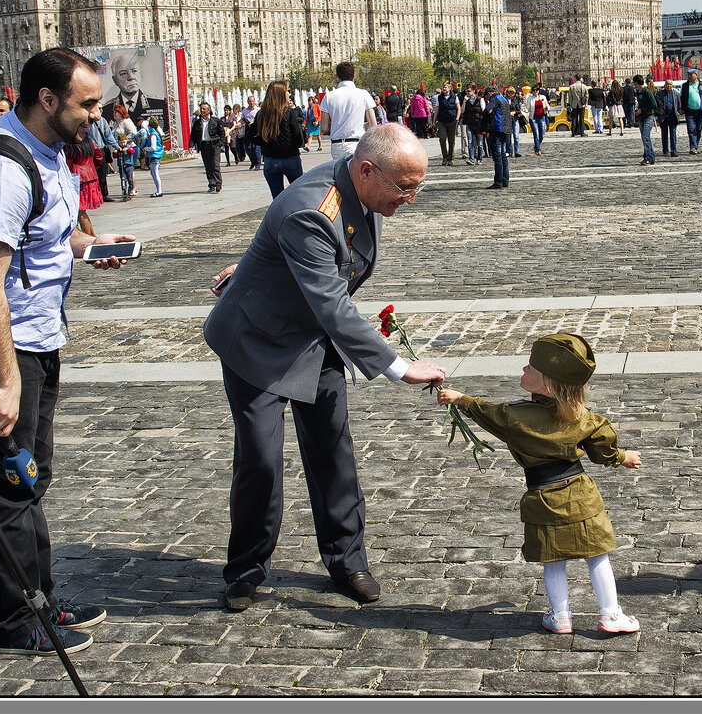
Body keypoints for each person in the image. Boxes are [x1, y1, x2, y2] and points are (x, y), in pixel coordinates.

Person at [0, 47, 136, 656]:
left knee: (30, 476)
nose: (97, 115)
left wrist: (87, 247)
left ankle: (42, 598)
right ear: (47, 99)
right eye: (87, 103)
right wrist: (6, 380)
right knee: (8, 482)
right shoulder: (0, 167)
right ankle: (17, 623)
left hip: (36, 336)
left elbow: (41, 232)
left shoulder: (46, 155)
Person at [203, 123, 447, 612]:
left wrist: (255, 264)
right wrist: (399, 367)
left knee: (334, 452)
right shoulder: (313, 210)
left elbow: (327, 272)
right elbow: (333, 303)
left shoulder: (362, 192)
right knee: (261, 461)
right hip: (258, 343)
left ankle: (347, 560)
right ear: (366, 170)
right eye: (405, 187)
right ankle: (246, 569)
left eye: (417, 186)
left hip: (313, 337)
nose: (411, 198)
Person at [435, 334, 642, 636]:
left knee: (553, 559)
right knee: (597, 554)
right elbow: (603, 451)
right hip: (581, 495)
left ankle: (561, 616)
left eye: (530, 368)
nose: (524, 368)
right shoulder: (585, 419)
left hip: (542, 497)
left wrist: (459, 399)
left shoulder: (516, 416)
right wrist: (622, 457)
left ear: (546, 385)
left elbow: (487, 413)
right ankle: (611, 614)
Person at [250, 80, 306, 199]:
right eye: (287, 91)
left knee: (277, 198)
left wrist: (266, 144)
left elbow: (253, 137)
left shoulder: (261, 114)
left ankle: (280, 217)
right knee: (299, 195)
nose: (289, 94)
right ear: (281, 93)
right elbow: (298, 138)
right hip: (290, 158)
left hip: (271, 160)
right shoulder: (289, 112)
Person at [320, 61, 377, 162]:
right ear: (354, 76)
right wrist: (361, 124)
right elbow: (373, 125)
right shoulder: (363, 94)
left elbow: (324, 128)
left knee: (340, 176)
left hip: (336, 145)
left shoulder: (328, 96)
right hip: (356, 143)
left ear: (338, 77)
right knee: (356, 176)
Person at [102, 50, 166, 124]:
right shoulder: (107, 110)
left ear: (139, 73)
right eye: (123, 74)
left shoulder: (159, 103)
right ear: (115, 80)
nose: (131, 77)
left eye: (134, 71)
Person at [65, 138, 102, 236]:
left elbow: (68, 162)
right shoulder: (89, 143)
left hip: (79, 178)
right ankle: (92, 235)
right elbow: (99, 156)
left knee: (79, 211)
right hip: (91, 176)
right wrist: (93, 167)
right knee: (82, 211)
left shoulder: (73, 145)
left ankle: (89, 236)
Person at [190, 102, 226, 192]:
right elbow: (193, 135)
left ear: (209, 110)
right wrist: (191, 146)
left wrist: (220, 144)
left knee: (215, 164)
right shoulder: (198, 123)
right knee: (208, 166)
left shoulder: (216, 121)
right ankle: (212, 184)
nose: (202, 111)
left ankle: (218, 183)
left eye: (204, 109)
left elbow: (222, 134)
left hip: (214, 144)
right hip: (204, 145)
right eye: (201, 109)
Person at [483, 86, 511, 189]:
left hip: (497, 128)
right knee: (503, 156)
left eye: (486, 95)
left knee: (497, 156)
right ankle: (505, 180)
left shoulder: (494, 98)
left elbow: (487, 110)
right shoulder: (503, 98)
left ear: (490, 93)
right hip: (506, 129)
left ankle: (498, 181)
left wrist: (484, 114)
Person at [433, 81, 460, 166]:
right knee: (442, 139)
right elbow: (437, 109)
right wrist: (434, 120)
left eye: (446, 87)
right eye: (443, 87)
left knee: (451, 141)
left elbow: (458, 109)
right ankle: (445, 157)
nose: (444, 88)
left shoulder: (454, 97)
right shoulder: (439, 98)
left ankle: (451, 158)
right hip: (442, 121)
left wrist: (457, 119)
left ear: (450, 88)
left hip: (452, 121)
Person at [632, 75, 657, 166]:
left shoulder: (647, 91)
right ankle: (650, 157)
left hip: (649, 117)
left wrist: (642, 110)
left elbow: (654, 105)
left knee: (646, 137)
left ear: (636, 83)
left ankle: (648, 158)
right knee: (644, 138)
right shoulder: (638, 92)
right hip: (641, 117)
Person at [679, 69, 702, 154]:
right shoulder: (685, 85)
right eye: (688, 75)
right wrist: (681, 107)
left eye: (690, 74)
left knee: (699, 129)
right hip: (689, 110)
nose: (688, 76)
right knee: (691, 129)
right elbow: (681, 97)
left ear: (696, 75)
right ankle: (693, 146)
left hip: (700, 111)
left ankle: (696, 145)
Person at [656, 79, 680, 158]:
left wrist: (679, 111)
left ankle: (674, 150)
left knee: (673, 134)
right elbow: (657, 105)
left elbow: (678, 104)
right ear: (664, 86)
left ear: (672, 86)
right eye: (667, 84)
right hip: (664, 117)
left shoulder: (675, 93)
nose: (668, 86)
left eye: (670, 84)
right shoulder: (659, 94)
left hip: (672, 116)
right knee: (664, 134)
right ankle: (665, 150)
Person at [461, 85, 485, 165]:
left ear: (474, 91)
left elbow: (483, 110)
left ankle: (479, 158)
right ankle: (471, 159)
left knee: (480, 143)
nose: (467, 93)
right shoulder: (466, 101)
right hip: (469, 124)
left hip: (478, 124)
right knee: (470, 142)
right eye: (466, 91)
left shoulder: (480, 100)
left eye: (469, 91)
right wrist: (464, 101)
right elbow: (462, 111)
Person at [142, 116, 164, 197]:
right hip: (155, 156)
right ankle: (158, 190)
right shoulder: (155, 133)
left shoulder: (153, 134)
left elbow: (153, 147)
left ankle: (159, 191)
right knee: (153, 173)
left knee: (155, 173)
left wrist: (145, 148)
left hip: (155, 156)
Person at [240, 96, 262, 170]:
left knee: (257, 147)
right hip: (248, 129)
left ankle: (258, 164)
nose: (251, 103)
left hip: (256, 128)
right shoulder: (245, 110)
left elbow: (261, 118)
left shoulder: (258, 109)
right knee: (247, 147)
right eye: (250, 101)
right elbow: (242, 118)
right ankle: (253, 161)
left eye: (252, 101)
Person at [529, 86, 550, 155]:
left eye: (536, 90)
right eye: (534, 90)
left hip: (542, 117)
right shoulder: (530, 98)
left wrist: (547, 107)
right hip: (533, 118)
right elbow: (527, 108)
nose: (535, 92)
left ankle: (536, 146)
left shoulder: (543, 97)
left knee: (542, 134)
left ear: (538, 91)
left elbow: (547, 105)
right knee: (536, 134)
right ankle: (538, 149)